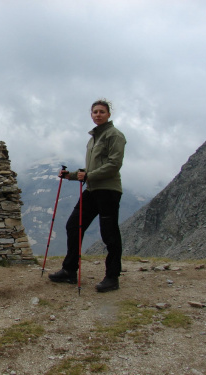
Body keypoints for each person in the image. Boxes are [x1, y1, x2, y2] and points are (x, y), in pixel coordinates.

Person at [49, 99, 126, 292]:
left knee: (109, 234)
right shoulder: (93, 139)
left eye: (101, 112)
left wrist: (89, 175)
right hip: (92, 190)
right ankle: (69, 271)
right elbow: (91, 169)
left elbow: (114, 165)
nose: (98, 115)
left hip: (108, 190)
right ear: (91, 115)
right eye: (95, 112)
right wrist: (71, 176)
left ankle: (112, 277)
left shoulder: (115, 135)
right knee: (73, 226)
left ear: (109, 114)